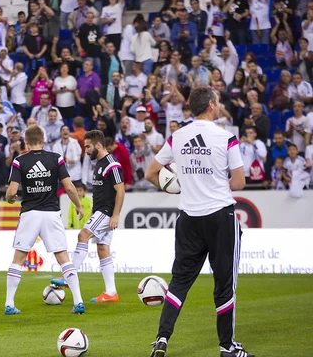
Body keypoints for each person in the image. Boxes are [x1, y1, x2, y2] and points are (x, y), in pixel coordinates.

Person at [144, 88, 251, 357]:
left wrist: (177, 188)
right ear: (212, 106)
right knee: (224, 285)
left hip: (188, 217)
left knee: (179, 282)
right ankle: (227, 348)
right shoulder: (226, 137)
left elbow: (151, 173)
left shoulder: (177, 136)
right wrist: (213, 183)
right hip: (219, 216)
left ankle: (162, 339)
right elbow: (238, 182)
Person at [4, 125, 85, 315]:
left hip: (30, 213)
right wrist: (79, 206)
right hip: (51, 213)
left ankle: (9, 303)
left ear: (25, 141)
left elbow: (12, 192)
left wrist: (10, 198)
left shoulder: (19, 161)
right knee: (63, 257)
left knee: (19, 258)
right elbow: (70, 187)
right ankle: (78, 302)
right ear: (44, 139)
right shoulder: (55, 158)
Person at [52, 129, 124, 303]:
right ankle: (111, 293)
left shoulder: (111, 164)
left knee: (83, 234)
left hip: (107, 212)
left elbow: (120, 189)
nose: (86, 150)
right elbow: (101, 192)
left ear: (98, 145)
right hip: (100, 210)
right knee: (102, 248)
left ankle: (70, 276)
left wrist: (115, 215)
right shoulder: (98, 163)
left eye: (88, 146)